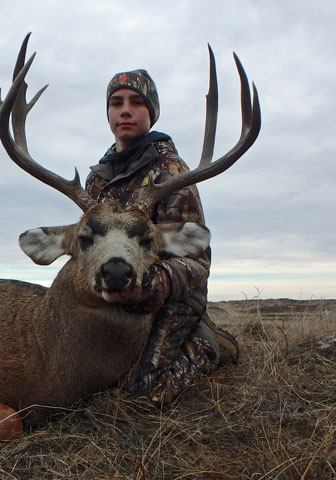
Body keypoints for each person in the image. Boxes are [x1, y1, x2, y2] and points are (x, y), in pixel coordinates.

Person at [85, 69, 239, 405]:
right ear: (108, 113)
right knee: (82, 379)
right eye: (116, 102)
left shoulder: (171, 173)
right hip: (112, 295)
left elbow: (197, 262)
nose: (125, 110)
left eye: (136, 102)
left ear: (151, 112)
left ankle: (207, 344)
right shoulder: (97, 181)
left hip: (169, 298)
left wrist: (147, 283)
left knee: (136, 396)